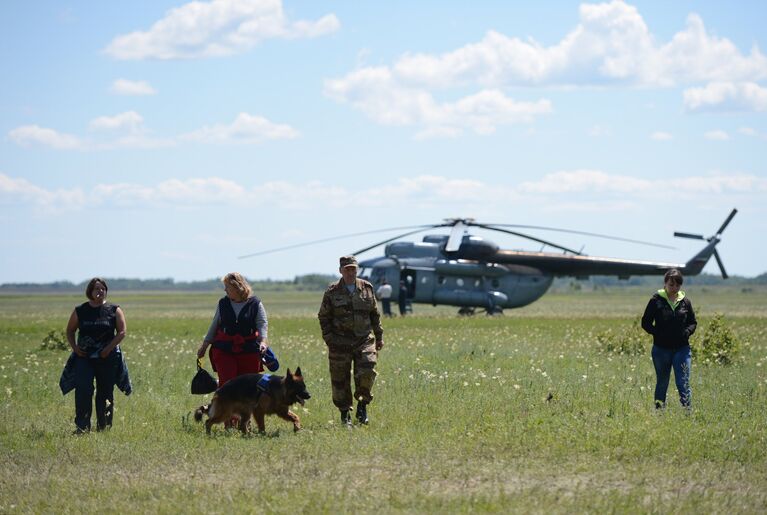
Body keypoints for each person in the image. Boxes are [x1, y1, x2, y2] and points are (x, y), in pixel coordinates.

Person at [318, 256, 384, 426]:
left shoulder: (367, 288)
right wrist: (329, 338)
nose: (350, 272)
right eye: (347, 269)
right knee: (340, 379)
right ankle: (344, 414)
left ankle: (362, 406)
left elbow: (374, 314)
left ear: (357, 270)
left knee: (367, 371)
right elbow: (323, 317)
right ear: (340, 270)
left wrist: (379, 336)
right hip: (339, 343)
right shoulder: (332, 291)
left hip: (364, 340)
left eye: (353, 268)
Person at [63, 277, 129, 433]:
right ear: (90, 292)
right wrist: (75, 348)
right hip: (84, 356)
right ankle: (82, 427)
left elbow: (122, 332)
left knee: (105, 392)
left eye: (103, 289)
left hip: (107, 357)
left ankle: (104, 427)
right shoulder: (80, 310)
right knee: (83, 390)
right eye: (96, 289)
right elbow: (70, 330)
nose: (100, 291)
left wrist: (108, 349)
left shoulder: (114, 309)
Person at [197, 272, 271, 387]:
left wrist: (263, 342)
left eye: (227, 287)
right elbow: (214, 325)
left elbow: (262, 324)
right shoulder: (223, 303)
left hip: (249, 349)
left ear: (237, 287)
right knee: (227, 384)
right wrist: (204, 346)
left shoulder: (255, 303)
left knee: (248, 385)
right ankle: (220, 404)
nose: (225, 290)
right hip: (224, 348)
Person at [641, 268, 697, 409]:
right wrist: (657, 333)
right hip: (661, 350)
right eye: (671, 285)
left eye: (677, 285)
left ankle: (688, 412)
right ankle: (659, 412)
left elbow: (693, 322)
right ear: (665, 283)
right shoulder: (655, 300)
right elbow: (645, 322)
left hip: (682, 349)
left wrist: (687, 332)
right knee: (662, 382)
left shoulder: (685, 302)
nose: (674, 288)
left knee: (683, 382)